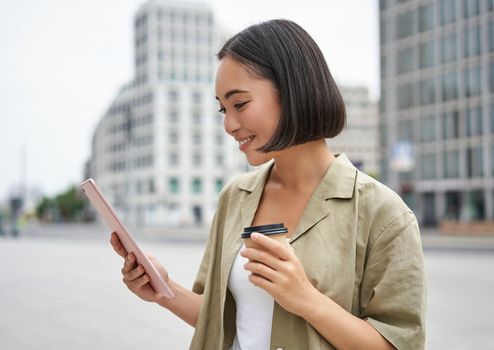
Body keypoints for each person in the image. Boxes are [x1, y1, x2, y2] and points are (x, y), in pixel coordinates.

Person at [110, 19, 426, 350]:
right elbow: (219, 320)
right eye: (223, 109)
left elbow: (400, 344)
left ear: (291, 90)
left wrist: (305, 299)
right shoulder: (235, 197)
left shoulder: (384, 214)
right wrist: (164, 290)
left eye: (240, 104)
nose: (229, 125)